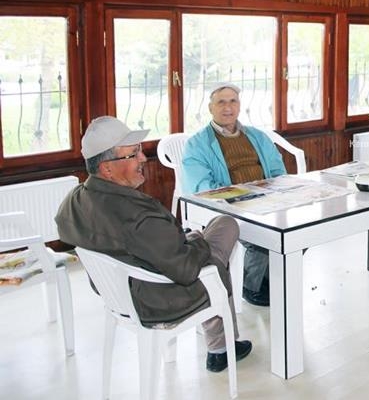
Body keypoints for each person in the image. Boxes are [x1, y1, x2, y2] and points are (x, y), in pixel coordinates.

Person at [55, 116, 252, 373]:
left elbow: (65, 227)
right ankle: (221, 348)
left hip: (120, 293)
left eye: (140, 151)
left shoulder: (76, 199)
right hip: (158, 299)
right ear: (107, 168)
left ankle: (219, 343)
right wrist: (196, 240)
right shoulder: (136, 216)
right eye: (133, 154)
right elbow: (186, 269)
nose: (143, 160)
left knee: (210, 242)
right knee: (224, 230)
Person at [183, 82, 287, 307]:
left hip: (267, 198)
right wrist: (244, 194)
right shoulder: (197, 144)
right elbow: (202, 186)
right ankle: (252, 284)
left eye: (233, 101)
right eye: (221, 102)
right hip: (231, 204)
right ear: (210, 107)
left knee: (299, 227)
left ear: (239, 106)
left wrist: (271, 190)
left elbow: (279, 170)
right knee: (262, 234)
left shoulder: (257, 136)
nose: (227, 107)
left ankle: (271, 275)